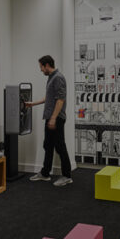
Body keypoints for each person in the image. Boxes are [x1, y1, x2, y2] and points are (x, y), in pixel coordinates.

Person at [26, 55, 73, 187]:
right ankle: (45, 173)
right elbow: (49, 97)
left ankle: (67, 176)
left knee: (60, 146)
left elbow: (60, 99)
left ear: (47, 65)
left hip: (56, 118)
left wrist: (53, 118)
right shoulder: (51, 78)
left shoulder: (58, 78)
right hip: (50, 118)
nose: (40, 69)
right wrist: (33, 104)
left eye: (41, 67)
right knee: (48, 145)